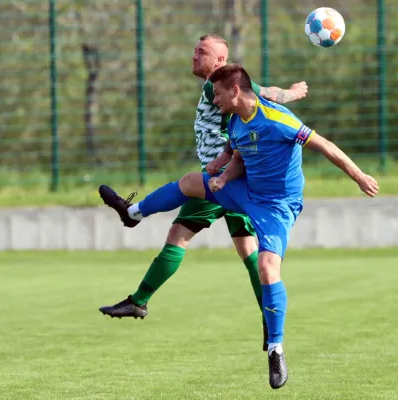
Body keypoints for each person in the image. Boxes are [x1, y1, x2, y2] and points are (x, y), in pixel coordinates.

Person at [98, 64, 379, 389]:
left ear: (234, 90)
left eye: (217, 94)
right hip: (245, 191)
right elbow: (240, 156)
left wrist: (359, 177)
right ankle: (133, 213)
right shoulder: (235, 121)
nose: (214, 100)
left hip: (277, 205)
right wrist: (222, 176)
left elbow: (325, 146)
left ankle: (275, 348)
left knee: (266, 266)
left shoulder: (278, 119)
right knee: (191, 182)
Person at [98, 34, 309, 352]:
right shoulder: (225, 87)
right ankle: (266, 320)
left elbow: (262, 99)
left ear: (220, 61)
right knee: (246, 250)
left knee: (181, 234)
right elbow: (263, 96)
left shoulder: (218, 87)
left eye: (202, 52)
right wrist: (290, 94)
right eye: (194, 50)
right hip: (229, 177)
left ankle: (137, 263)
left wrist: (290, 94)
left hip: (223, 181)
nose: (194, 56)